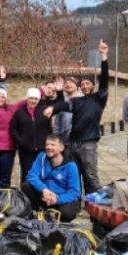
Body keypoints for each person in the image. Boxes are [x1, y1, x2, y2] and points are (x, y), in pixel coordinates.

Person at [43, 39, 110, 194]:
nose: (85, 86)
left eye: (88, 83)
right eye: (83, 84)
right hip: (73, 144)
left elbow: (105, 79)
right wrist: (52, 108)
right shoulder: (77, 101)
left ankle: (93, 204)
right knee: (75, 176)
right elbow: (64, 105)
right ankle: (76, 204)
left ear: (93, 86)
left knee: (91, 176)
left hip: (88, 144)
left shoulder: (99, 99)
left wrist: (104, 57)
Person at [21, 136, 82, 223]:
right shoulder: (42, 157)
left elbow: (75, 192)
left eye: (53, 144)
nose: (48, 147)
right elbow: (31, 175)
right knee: (26, 186)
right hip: (44, 196)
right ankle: (40, 211)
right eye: (47, 144)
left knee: (67, 213)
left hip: (60, 199)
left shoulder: (71, 166)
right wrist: (44, 189)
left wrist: (57, 199)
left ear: (61, 148)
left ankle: (57, 219)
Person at [10, 88, 52, 181]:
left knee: (42, 174)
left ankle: (41, 194)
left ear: (39, 100)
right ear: (27, 99)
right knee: (26, 174)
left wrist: (47, 143)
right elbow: (13, 129)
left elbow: (49, 129)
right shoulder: (19, 113)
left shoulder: (44, 111)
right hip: (26, 150)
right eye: (31, 98)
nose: (33, 101)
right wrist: (20, 141)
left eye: (35, 99)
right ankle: (26, 195)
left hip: (42, 149)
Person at [53, 76, 82, 142]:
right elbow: (57, 122)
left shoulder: (83, 99)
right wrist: (55, 140)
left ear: (77, 85)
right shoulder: (61, 101)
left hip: (80, 141)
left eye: (71, 82)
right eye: (66, 83)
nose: (68, 84)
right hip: (65, 141)